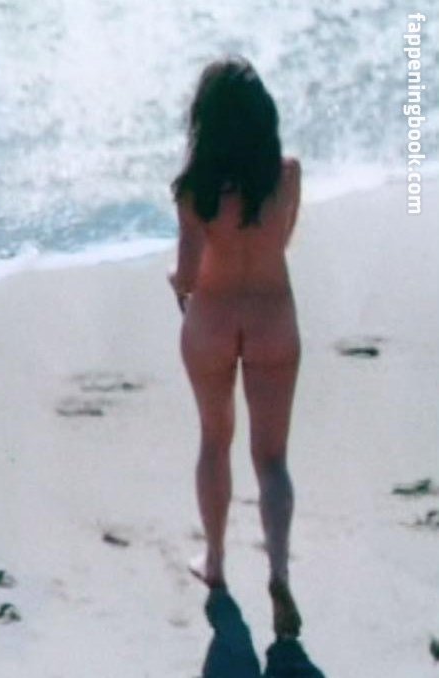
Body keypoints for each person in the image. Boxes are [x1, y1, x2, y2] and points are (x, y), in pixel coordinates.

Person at [169, 57, 302, 638]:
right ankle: (278, 571)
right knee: (272, 459)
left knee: (214, 438)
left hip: (214, 321)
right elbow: (282, 241)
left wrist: (175, 286)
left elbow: (188, 274)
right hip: (273, 317)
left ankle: (217, 562)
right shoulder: (286, 175)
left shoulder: (195, 191)